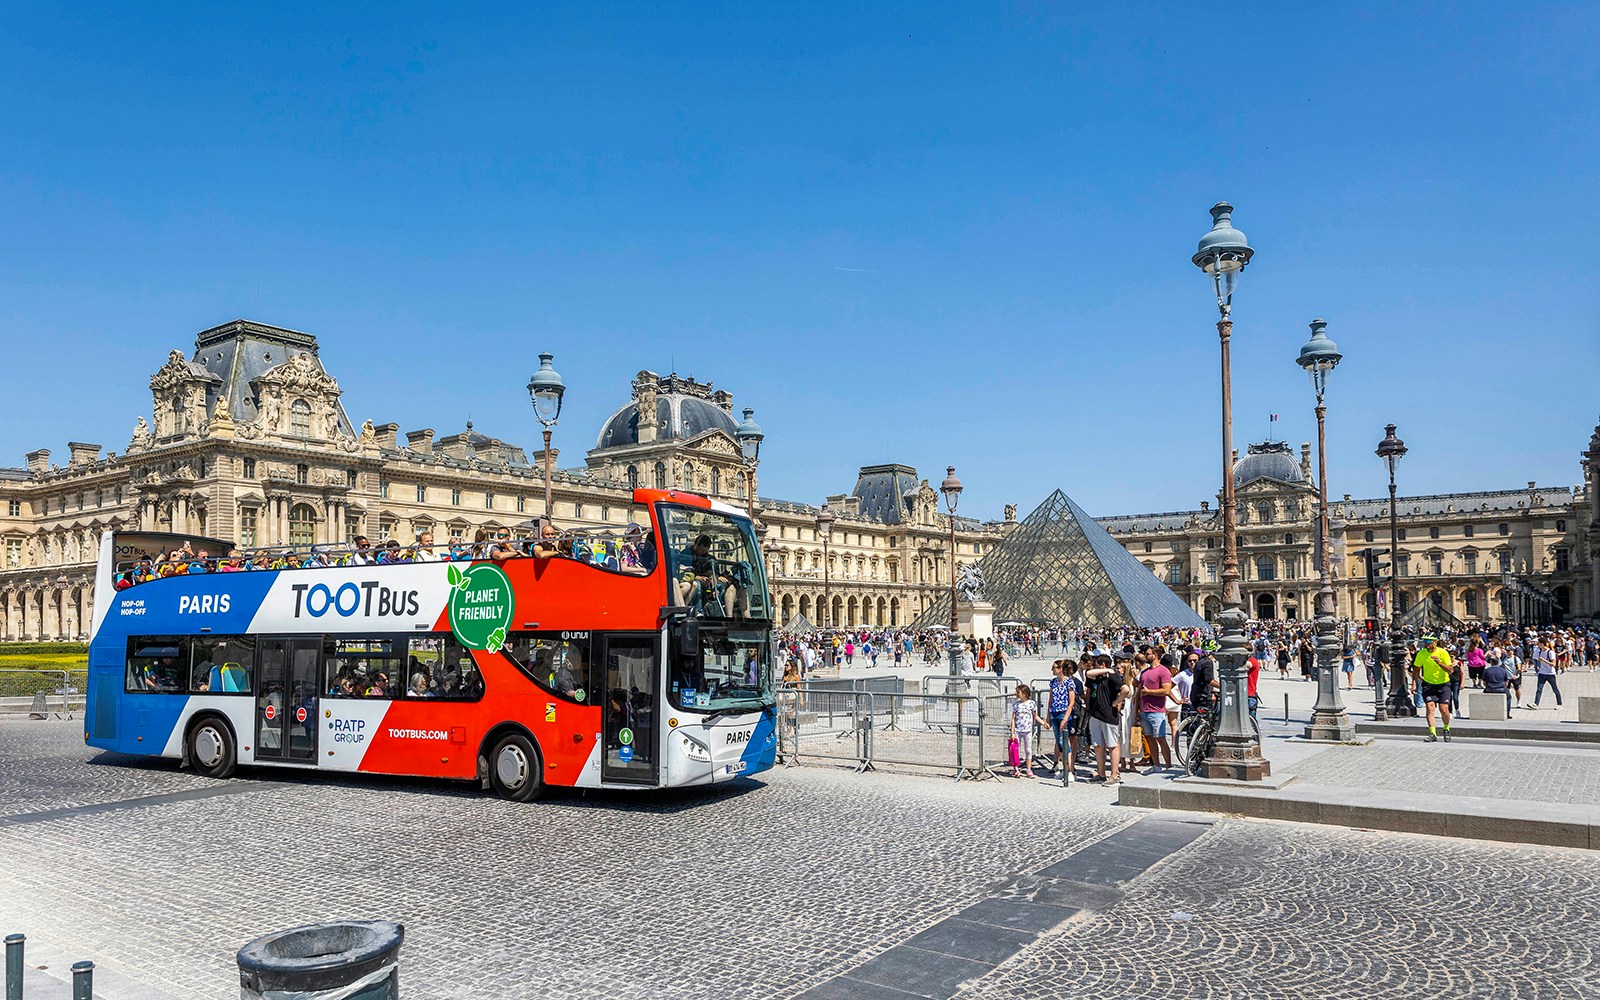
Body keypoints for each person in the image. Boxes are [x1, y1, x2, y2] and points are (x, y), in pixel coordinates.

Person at [1084, 654, 1128, 784]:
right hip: (1095, 714)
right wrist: (1106, 670)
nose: (1094, 667)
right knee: (1098, 746)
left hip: (1109, 715)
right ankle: (1101, 773)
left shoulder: (1112, 677)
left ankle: (1114, 775)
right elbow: (1088, 673)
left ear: (1102, 665)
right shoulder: (1095, 677)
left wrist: (1117, 701)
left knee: (1112, 745)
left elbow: (1125, 689)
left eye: (1097, 665)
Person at [1413, 636, 1455, 741]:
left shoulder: (1443, 653)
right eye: (1424, 641)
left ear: (1435, 642)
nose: (1426, 644)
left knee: (1444, 709)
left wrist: (1440, 663)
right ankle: (1432, 733)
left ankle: (1446, 729)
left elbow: (1450, 670)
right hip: (1428, 684)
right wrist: (1414, 684)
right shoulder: (1421, 653)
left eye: (1428, 641)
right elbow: (1416, 669)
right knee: (1430, 708)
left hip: (1443, 684)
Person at [1046, 659, 1082, 782]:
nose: (1052, 670)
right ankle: (1065, 768)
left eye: (1054, 667)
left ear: (1060, 669)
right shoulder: (1053, 682)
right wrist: (1048, 716)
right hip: (1054, 713)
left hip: (1064, 713)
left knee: (1064, 740)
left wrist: (1066, 717)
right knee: (1059, 741)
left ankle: (1070, 770)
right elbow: (1050, 699)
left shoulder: (1069, 683)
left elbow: (1071, 702)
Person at [1139, 653, 1175, 770]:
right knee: (1149, 739)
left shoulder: (1163, 671)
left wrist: (1149, 692)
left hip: (1157, 711)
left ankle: (1168, 766)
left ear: (1155, 655)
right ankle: (1156, 765)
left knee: (1160, 738)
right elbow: (1139, 691)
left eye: (1148, 654)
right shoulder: (1144, 672)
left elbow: (1166, 690)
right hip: (1144, 709)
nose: (1146, 656)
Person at [1009, 683, 1047, 778]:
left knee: (1028, 749)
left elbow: (1035, 716)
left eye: (1018, 692)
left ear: (1024, 694)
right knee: (1016, 750)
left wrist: (1043, 723)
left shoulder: (1031, 703)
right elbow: (1013, 718)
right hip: (1018, 730)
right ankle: (1016, 768)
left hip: (1027, 730)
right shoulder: (1016, 704)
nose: (1017, 694)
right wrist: (1012, 732)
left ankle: (1028, 769)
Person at [1532, 634, 1562, 708]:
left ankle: (1559, 704)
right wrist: (1539, 666)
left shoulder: (1550, 652)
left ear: (1542, 643)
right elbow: (1539, 661)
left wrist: (1544, 660)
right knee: (1539, 689)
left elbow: (1553, 664)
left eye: (1538, 643)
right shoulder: (1539, 652)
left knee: (1555, 689)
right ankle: (1536, 704)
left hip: (1550, 674)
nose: (1537, 644)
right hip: (1542, 673)